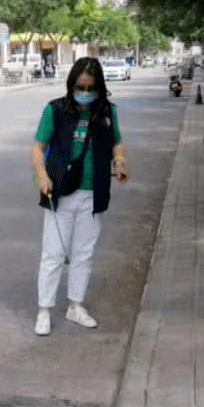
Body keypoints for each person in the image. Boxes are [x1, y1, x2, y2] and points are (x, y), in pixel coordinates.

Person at [29, 57, 128, 336]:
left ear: (99, 88)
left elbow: (117, 142)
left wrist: (119, 161)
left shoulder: (107, 112)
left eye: (91, 87)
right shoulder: (56, 110)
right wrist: (43, 176)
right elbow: (37, 147)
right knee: (53, 254)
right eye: (80, 86)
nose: (85, 92)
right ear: (71, 84)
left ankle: (75, 307)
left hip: (93, 193)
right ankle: (44, 310)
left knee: (84, 254)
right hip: (60, 192)